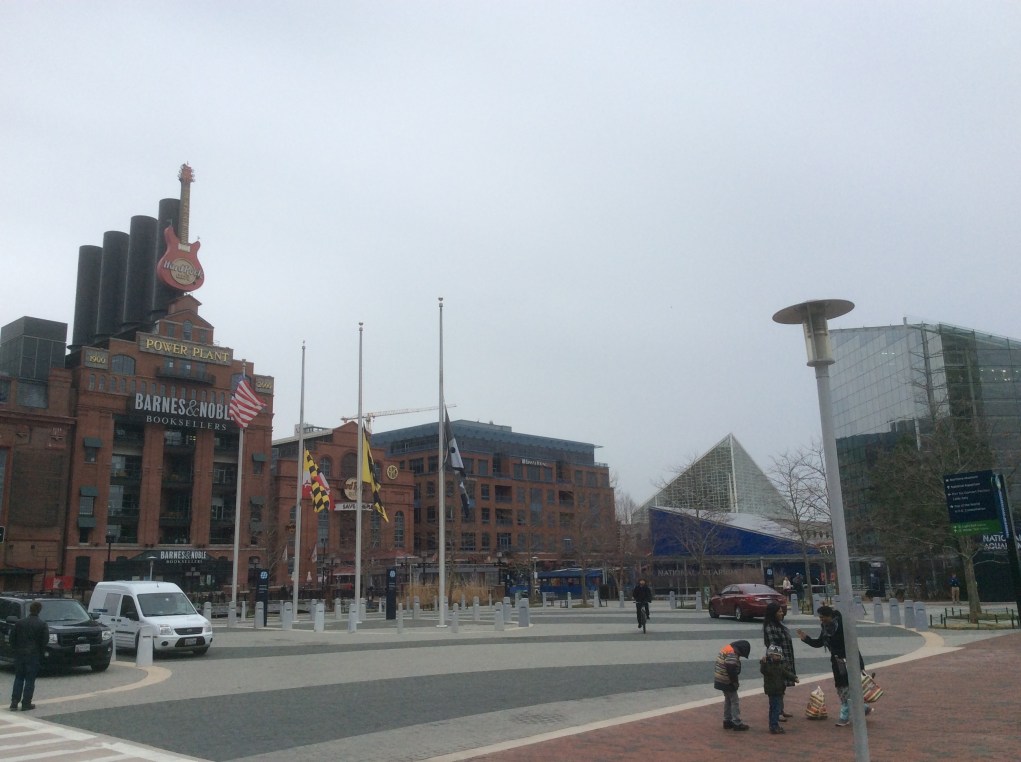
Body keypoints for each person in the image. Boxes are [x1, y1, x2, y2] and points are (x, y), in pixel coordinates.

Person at [796, 605, 871, 727]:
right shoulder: (825, 627)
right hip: (837, 661)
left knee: (849, 686)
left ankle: (845, 715)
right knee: (841, 686)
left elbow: (850, 640)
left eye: (823, 617)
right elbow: (819, 642)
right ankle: (862, 708)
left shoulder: (842, 624)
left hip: (850, 659)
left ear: (830, 615)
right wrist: (806, 638)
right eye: (820, 618)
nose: (821, 620)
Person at [10, 601, 49, 711]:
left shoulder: (19, 623)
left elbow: (12, 638)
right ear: (39, 610)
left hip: (20, 654)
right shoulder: (42, 624)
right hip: (33, 655)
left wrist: (16, 649)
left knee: (18, 678)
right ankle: (26, 703)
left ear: (29, 610)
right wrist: (41, 653)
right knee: (30, 680)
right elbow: (44, 641)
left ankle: (14, 701)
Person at [762, 602, 797, 722]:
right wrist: (779, 660)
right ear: (773, 613)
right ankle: (777, 712)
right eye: (780, 611)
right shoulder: (770, 627)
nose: (782, 613)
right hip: (778, 662)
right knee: (778, 686)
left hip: (785, 658)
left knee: (782, 686)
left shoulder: (779, 625)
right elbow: (773, 646)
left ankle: (781, 710)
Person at [713, 639, 751, 731]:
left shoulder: (727, 648)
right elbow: (731, 669)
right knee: (734, 700)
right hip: (727, 680)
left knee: (728, 699)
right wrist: (735, 682)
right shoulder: (732, 653)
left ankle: (727, 720)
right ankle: (736, 722)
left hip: (720, 679)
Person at [760, 644, 799, 734]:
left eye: (778, 655)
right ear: (770, 655)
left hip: (779, 689)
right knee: (775, 709)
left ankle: (772, 724)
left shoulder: (779, 666)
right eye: (775, 655)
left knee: (773, 708)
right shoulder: (768, 665)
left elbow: (786, 673)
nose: (777, 657)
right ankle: (774, 726)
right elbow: (764, 671)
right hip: (773, 690)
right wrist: (763, 663)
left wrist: (794, 677)